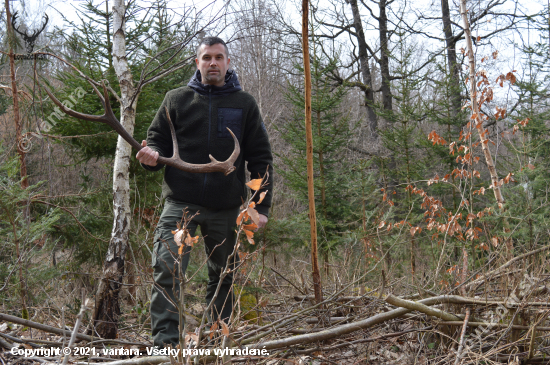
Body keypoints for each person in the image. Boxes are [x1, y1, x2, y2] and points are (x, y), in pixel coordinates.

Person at [136, 36, 273, 348]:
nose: (213, 63)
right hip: (181, 203)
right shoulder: (176, 99)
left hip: (227, 206)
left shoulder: (244, 104)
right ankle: (166, 347)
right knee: (167, 269)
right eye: (207, 57)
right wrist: (150, 156)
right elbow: (155, 140)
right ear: (197, 62)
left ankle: (214, 341)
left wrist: (260, 208)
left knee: (223, 275)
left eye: (219, 57)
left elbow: (262, 159)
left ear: (227, 62)